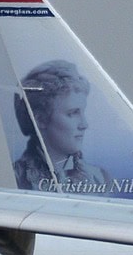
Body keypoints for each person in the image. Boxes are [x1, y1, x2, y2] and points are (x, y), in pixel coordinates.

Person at [12, 60, 115, 194]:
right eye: (72, 113)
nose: (84, 125)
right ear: (40, 119)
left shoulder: (100, 178)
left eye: (82, 112)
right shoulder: (16, 178)